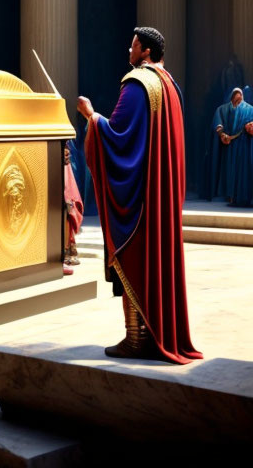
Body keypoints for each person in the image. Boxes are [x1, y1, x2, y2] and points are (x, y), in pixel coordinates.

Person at [81, 27, 202, 364]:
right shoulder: (170, 86)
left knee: (133, 256)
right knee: (156, 262)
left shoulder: (138, 83)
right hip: (163, 192)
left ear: (146, 51)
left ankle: (137, 339)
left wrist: (91, 116)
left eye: (134, 44)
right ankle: (154, 334)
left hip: (141, 195)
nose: (129, 48)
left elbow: (118, 135)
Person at [211, 88, 253, 206]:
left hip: (243, 146)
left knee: (243, 172)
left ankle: (243, 197)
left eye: (240, 98)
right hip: (229, 146)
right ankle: (230, 195)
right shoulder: (224, 109)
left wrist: (250, 127)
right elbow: (218, 123)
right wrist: (221, 134)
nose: (238, 100)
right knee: (229, 172)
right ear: (231, 98)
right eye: (235, 98)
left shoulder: (249, 110)